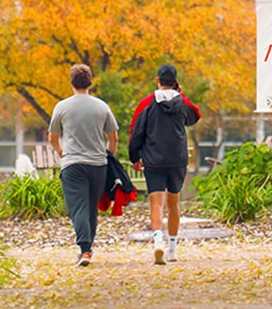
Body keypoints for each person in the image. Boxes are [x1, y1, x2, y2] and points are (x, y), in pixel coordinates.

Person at [128, 63, 201, 265]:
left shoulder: (147, 104)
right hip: (177, 159)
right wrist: (181, 94)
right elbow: (195, 115)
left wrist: (135, 156)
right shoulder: (182, 104)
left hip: (153, 159)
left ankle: (158, 241)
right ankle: (173, 248)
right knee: (174, 204)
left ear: (157, 80)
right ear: (175, 82)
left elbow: (136, 131)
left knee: (156, 204)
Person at [49, 63, 119, 267]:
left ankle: (85, 249)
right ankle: (87, 248)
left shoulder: (62, 107)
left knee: (78, 207)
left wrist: (62, 153)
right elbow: (113, 138)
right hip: (98, 165)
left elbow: (53, 137)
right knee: (90, 208)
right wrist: (108, 157)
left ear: (71, 82)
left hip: (73, 164)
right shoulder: (101, 106)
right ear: (90, 82)